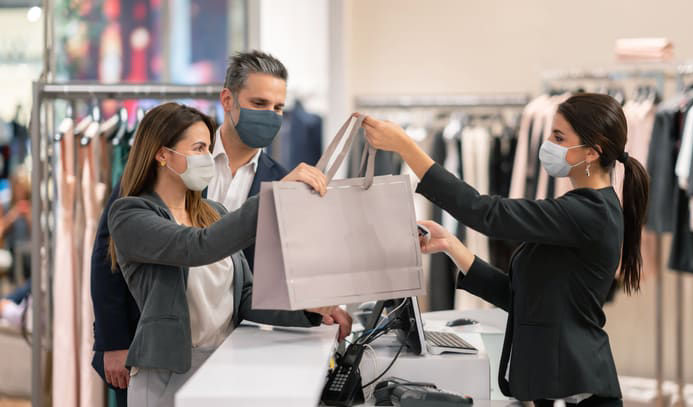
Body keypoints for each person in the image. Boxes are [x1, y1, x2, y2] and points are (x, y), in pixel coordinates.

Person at [90, 50, 352, 406]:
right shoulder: (133, 211)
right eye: (260, 102)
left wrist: (310, 309)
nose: (271, 115)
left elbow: (245, 295)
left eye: (278, 107)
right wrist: (112, 339)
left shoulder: (213, 210)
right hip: (164, 361)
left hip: (229, 359)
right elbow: (194, 247)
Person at [360, 93, 649, 407]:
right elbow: (521, 298)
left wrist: (406, 147)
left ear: (592, 152)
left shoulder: (588, 212)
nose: (547, 143)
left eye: (558, 136)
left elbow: (487, 213)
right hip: (561, 389)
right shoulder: (584, 210)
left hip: (581, 389)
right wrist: (452, 246)